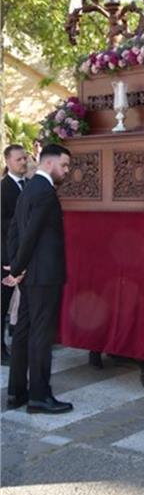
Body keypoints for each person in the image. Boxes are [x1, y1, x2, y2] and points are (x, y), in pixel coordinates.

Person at [3, 144, 73, 414]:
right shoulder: (44, 192)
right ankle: (39, 397)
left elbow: (15, 233)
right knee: (40, 336)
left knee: (23, 331)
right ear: (49, 163)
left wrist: (16, 267)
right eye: (64, 166)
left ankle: (16, 392)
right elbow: (29, 235)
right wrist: (15, 269)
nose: (66, 171)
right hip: (44, 275)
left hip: (31, 274)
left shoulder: (29, 188)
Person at [1, 144, 28, 364]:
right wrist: (7, 260)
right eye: (19, 159)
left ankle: (21, 340)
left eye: (25, 158)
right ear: (8, 161)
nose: (23, 162)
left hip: (26, 254)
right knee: (2, 303)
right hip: (7, 257)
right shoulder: (3, 189)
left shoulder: (29, 185)